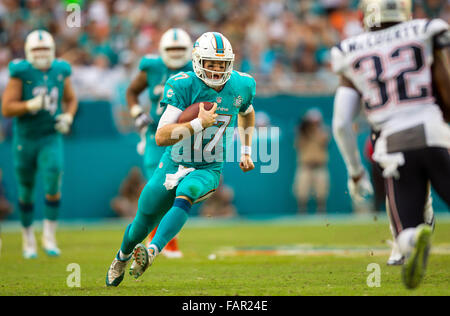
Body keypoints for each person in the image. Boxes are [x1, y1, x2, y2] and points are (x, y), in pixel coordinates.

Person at [106, 31, 256, 287]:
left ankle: (152, 251)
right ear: (198, 61)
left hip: (208, 166)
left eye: (222, 64)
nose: (218, 70)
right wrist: (198, 123)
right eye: (211, 64)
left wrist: (246, 150)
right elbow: (161, 136)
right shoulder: (182, 84)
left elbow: (247, 112)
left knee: (188, 191)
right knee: (142, 222)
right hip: (174, 162)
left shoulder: (242, 85)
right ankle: (122, 256)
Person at [331, 0, 449, 289]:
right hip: (434, 132)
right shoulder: (426, 29)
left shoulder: (350, 50)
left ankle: (409, 241)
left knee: (405, 230)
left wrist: (355, 171)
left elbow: (341, 123)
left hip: (392, 143)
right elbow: (445, 83)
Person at [1, 30, 78, 259]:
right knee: (26, 190)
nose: (41, 54)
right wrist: (29, 105)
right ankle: (27, 239)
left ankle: (49, 236)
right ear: (28, 51)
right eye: (37, 49)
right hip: (25, 138)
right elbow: (6, 108)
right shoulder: (21, 71)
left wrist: (68, 117)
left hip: (50, 135)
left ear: (52, 50)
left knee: (53, 178)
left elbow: (71, 99)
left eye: (45, 49)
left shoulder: (61, 70)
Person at [126, 28, 193, 258]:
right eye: (171, 49)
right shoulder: (153, 67)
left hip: (184, 135)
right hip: (156, 134)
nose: (175, 53)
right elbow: (132, 92)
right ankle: (159, 239)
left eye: (179, 49)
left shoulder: (196, 71)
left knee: (178, 189)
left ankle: (162, 238)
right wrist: (136, 113)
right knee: (157, 187)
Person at [293, 109, 330, 214]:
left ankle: (321, 213)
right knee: (302, 192)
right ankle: (302, 213)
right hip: (305, 166)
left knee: (321, 192)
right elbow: (298, 144)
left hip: (319, 166)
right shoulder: (302, 132)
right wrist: (304, 129)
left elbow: (324, 141)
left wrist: (315, 130)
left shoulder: (323, 131)